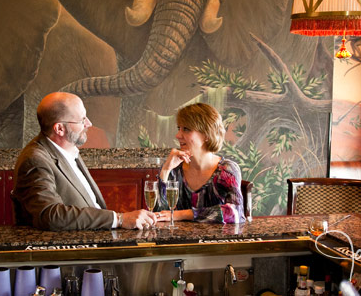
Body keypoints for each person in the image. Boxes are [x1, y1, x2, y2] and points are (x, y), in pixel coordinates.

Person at [12, 92, 157, 230]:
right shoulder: (34, 160)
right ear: (60, 129)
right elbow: (50, 215)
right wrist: (118, 219)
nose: (89, 123)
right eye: (82, 120)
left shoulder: (69, 149)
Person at [155, 103, 246, 224]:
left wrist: (182, 214)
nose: (178, 135)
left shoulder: (226, 170)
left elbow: (236, 212)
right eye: (179, 128)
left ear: (206, 135)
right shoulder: (174, 169)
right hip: (181, 240)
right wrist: (166, 169)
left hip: (217, 241)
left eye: (186, 129)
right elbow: (158, 214)